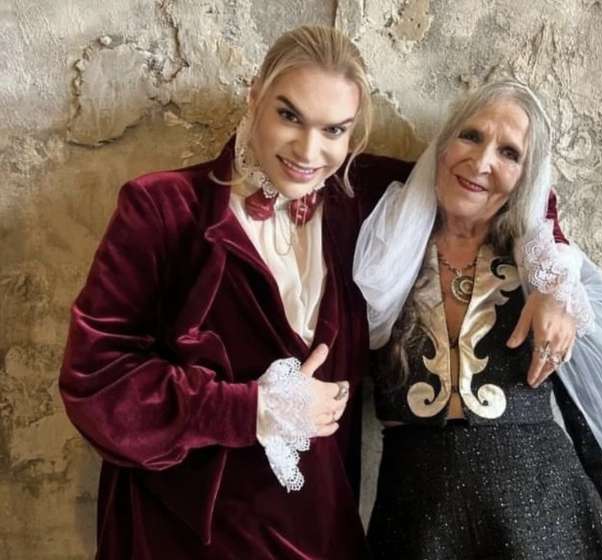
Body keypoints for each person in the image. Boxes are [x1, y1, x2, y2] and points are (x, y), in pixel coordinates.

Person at [59, 26, 575, 559]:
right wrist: (252, 409)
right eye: (289, 116)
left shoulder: (364, 201)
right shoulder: (162, 207)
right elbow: (95, 382)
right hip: (177, 533)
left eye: (334, 130)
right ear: (254, 96)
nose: (308, 151)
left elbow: (493, 182)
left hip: (314, 534)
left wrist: (551, 280)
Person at [354, 81, 602, 559]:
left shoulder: (542, 272)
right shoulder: (381, 250)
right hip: (417, 520)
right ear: (443, 144)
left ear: (527, 176)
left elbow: (590, 415)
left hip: (544, 521)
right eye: (470, 136)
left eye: (509, 153)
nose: (481, 162)